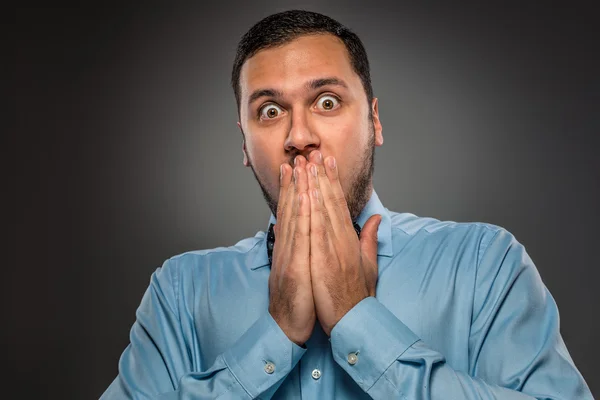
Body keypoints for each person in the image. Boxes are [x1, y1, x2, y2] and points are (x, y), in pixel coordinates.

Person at [101, 9, 593, 399]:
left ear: (374, 122)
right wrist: (275, 336)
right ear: (244, 146)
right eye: (270, 111)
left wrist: (358, 322)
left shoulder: (485, 262)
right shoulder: (182, 293)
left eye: (327, 102)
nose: (299, 136)